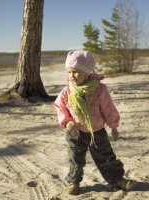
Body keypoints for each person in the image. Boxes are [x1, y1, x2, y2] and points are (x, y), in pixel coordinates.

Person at [53, 50, 134, 195]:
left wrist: (113, 127)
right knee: (75, 158)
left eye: (76, 72)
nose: (72, 76)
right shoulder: (67, 91)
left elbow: (108, 109)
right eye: (69, 72)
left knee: (105, 156)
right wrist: (67, 121)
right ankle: (74, 182)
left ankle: (117, 179)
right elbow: (60, 106)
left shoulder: (99, 89)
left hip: (96, 131)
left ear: (87, 72)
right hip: (75, 131)